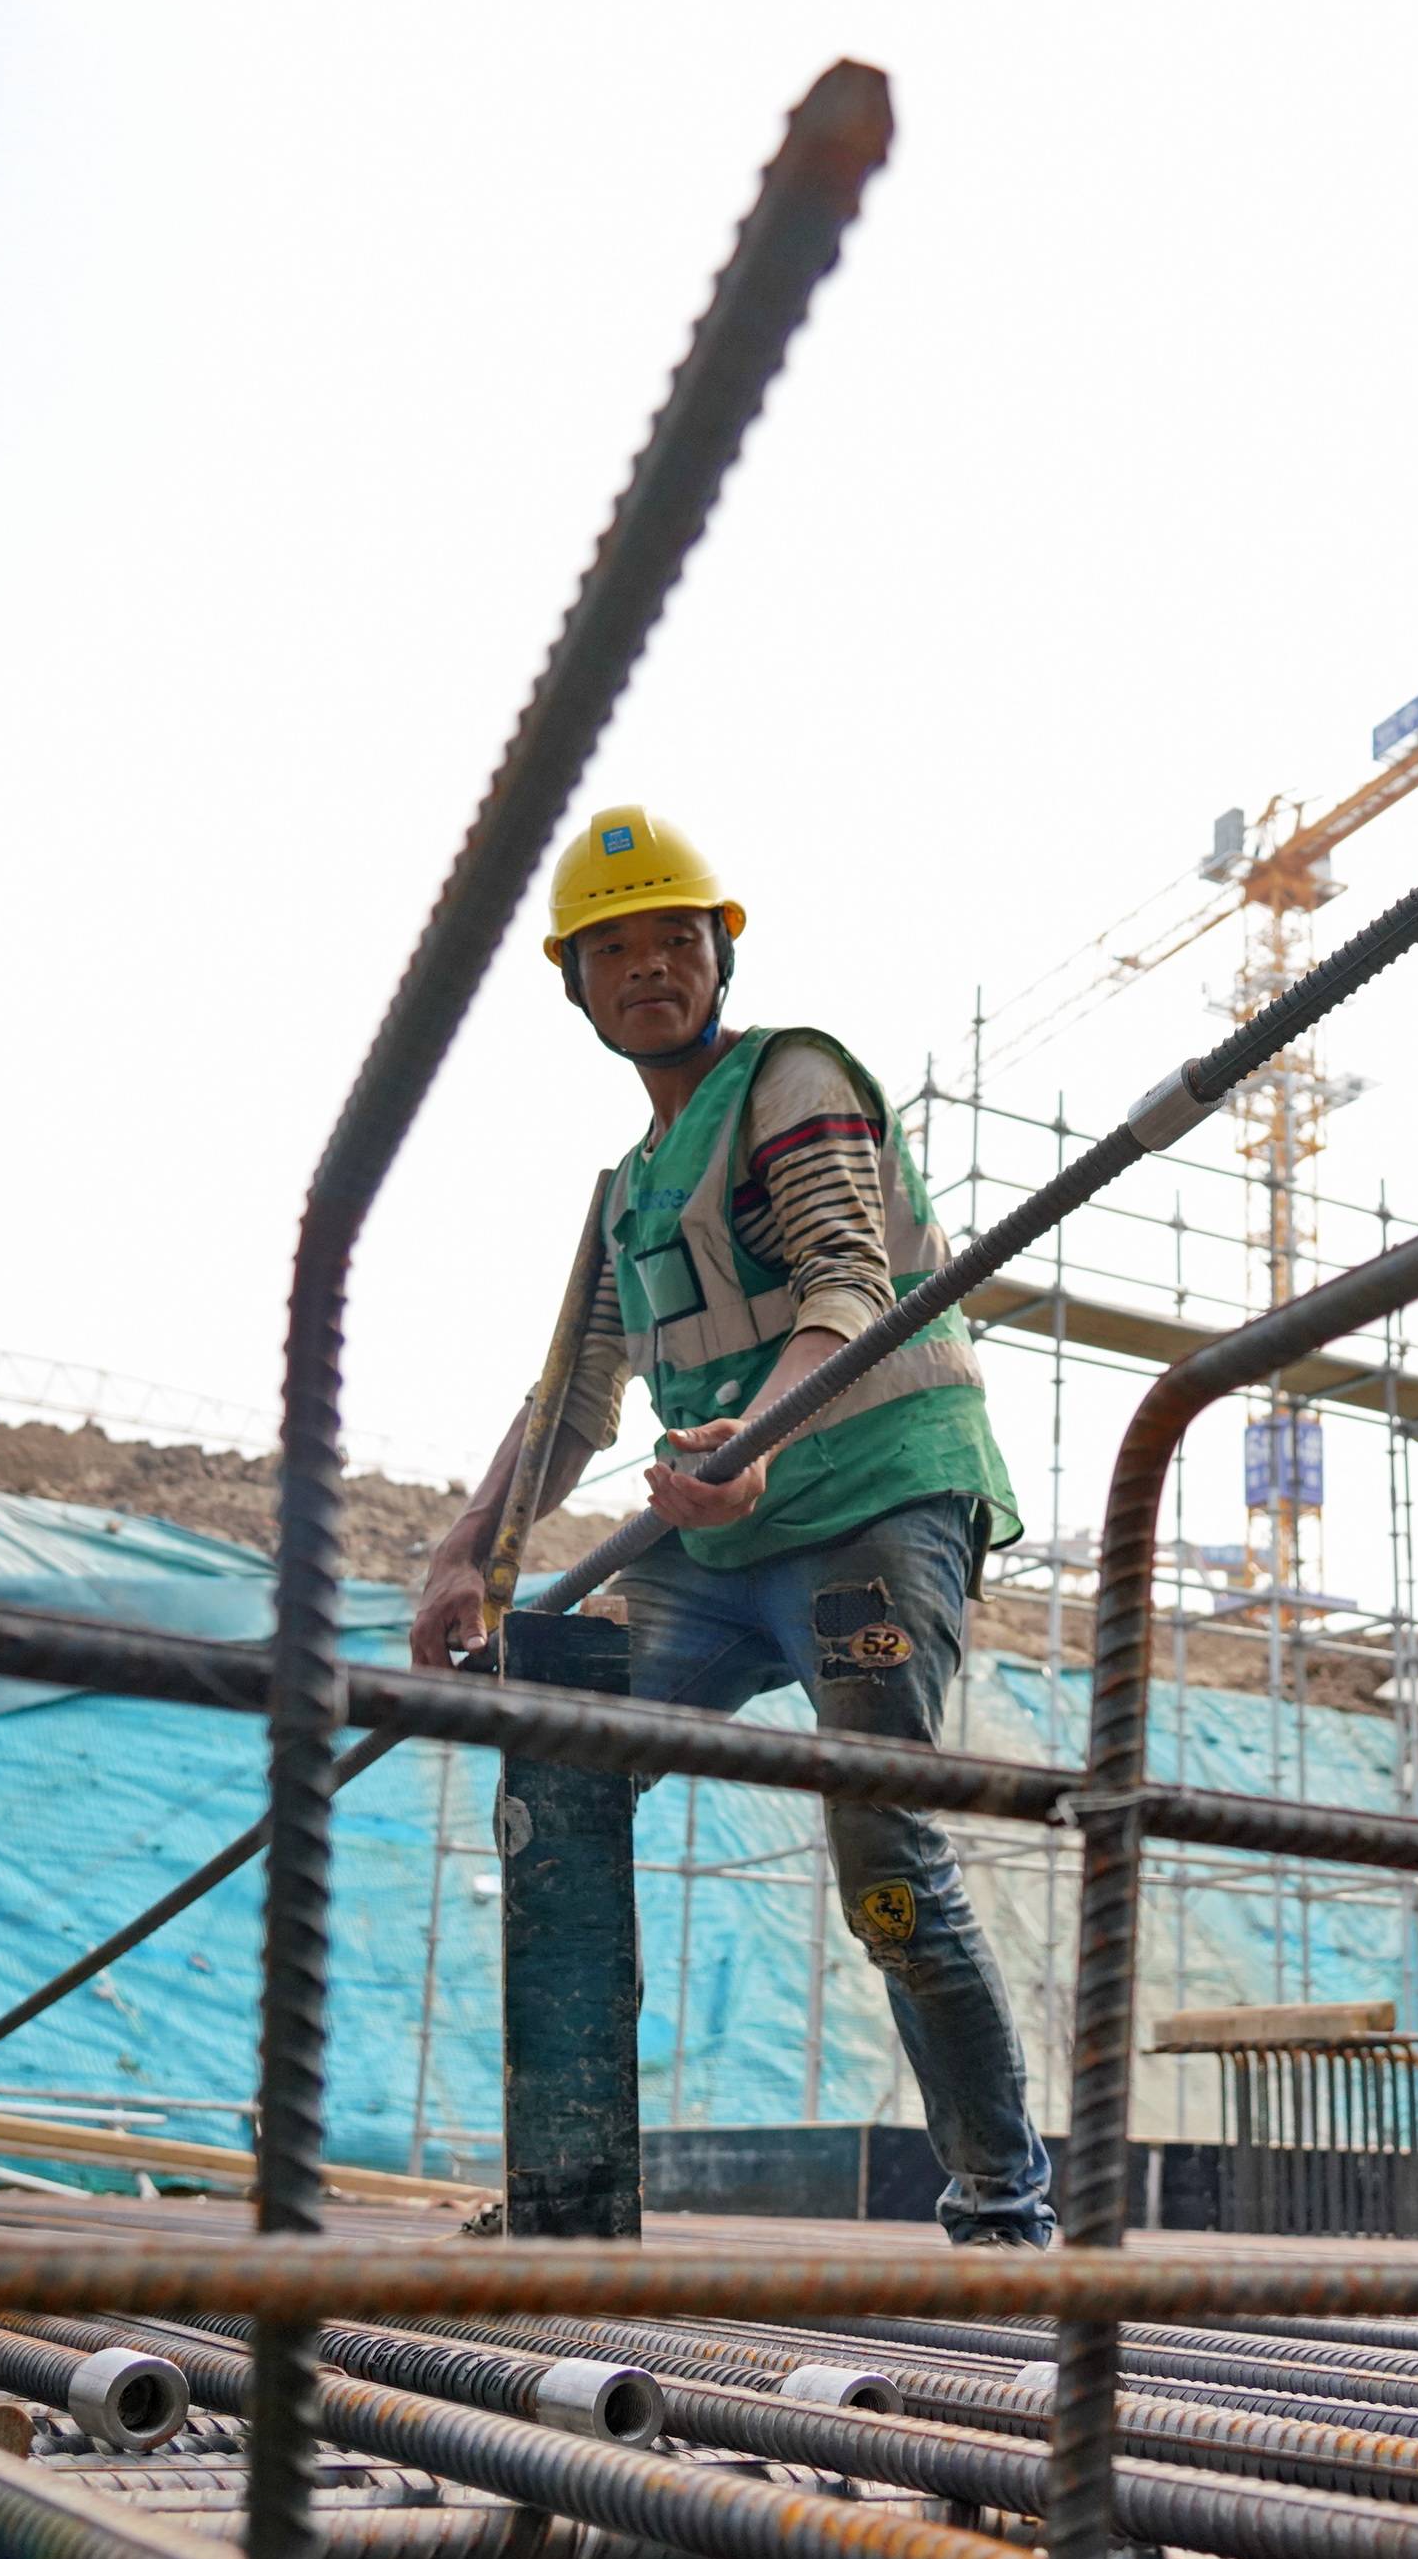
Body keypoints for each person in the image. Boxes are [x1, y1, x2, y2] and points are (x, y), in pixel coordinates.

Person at [410, 802, 1053, 2249]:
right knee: (559, 1777)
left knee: (882, 1850)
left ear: (721, 957)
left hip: (869, 1506)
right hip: (721, 1545)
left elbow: (849, 1272)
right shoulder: (628, 1190)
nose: (651, 968)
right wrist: (472, 1554)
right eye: (616, 949)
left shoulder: (792, 1077)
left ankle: (1004, 2212)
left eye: (676, 941)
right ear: (572, 980)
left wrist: (760, 1436)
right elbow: (574, 1394)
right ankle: (565, 2197)